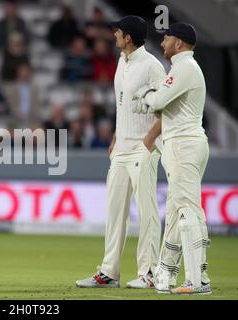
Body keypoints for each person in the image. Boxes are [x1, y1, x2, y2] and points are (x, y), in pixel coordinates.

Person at [76, 16, 166, 289]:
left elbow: (166, 108)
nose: (113, 34)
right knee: (115, 211)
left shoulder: (152, 66)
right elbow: (123, 104)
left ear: (128, 37)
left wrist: (148, 142)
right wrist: (116, 135)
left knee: (148, 211)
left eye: (117, 31)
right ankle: (109, 272)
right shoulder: (121, 62)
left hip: (143, 148)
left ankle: (149, 274)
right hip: (122, 148)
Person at [132, 23, 211, 295]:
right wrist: (150, 100)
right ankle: (168, 274)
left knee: (188, 212)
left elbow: (156, 101)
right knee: (181, 212)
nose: (163, 42)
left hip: (183, 145)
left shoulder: (184, 68)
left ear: (179, 43)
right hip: (186, 144)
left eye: (167, 38)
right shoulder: (185, 68)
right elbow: (162, 104)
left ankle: (197, 281)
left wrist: (145, 97)